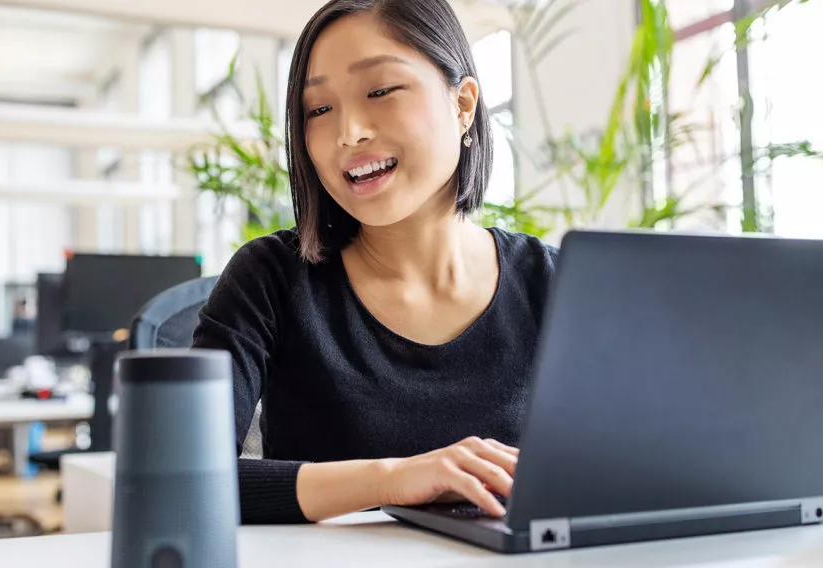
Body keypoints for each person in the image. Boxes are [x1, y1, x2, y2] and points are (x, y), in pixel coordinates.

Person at [192, 0, 558, 524]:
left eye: (380, 91)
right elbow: (183, 477)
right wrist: (393, 480)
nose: (349, 133)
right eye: (318, 110)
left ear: (463, 105)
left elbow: (635, 462)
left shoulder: (554, 284)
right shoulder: (269, 278)